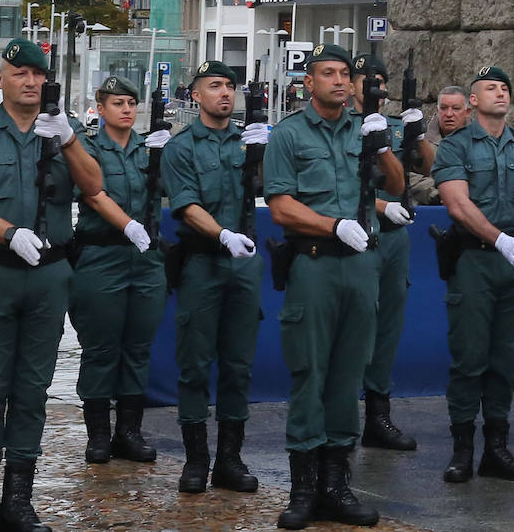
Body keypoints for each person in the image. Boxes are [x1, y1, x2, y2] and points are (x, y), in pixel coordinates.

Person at [0, 38, 103, 532]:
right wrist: (7, 233)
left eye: (37, 75)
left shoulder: (61, 132)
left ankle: (20, 501)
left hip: (49, 275)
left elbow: (94, 187)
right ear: (1, 79)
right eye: (20, 74)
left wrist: (69, 139)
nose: (30, 83)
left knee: (33, 391)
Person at [264, 43, 405, 529]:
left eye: (346, 74)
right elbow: (280, 206)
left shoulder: (364, 130)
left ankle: (336, 483)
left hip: (360, 266)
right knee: (311, 373)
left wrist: (382, 145)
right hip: (316, 262)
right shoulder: (289, 135)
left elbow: (399, 186)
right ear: (309, 83)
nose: (341, 82)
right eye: (329, 74)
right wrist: (331, 225)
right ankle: (303, 488)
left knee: (349, 374)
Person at [432, 65, 514, 484]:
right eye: (490, 88)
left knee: (507, 357)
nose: (501, 94)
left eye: (505, 88)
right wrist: (497, 237)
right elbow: (457, 205)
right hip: (476, 258)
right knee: (470, 357)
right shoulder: (456, 147)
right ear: (473, 100)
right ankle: (462, 448)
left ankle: (497, 447)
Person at [160, 60, 267, 494]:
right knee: (194, 365)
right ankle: (196, 459)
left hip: (243, 266)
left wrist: (263, 157)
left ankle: (229, 458)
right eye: (215, 86)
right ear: (196, 95)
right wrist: (222, 234)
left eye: (230, 86)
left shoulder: (250, 143)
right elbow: (185, 205)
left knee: (239, 365)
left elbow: (275, 190)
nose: (225, 93)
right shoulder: (181, 147)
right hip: (203, 262)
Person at [68, 75, 168, 466]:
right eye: (117, 103)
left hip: (145, 260)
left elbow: (177, 190)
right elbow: (90, 194)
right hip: (101, 256)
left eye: (131, 103)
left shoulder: (151, 148)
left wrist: (166, 157)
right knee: (100, 347)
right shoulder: (89, 149)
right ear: (101, 107)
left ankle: (129, 431)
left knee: (138, 347)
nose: (126, 110)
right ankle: (97, 435)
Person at [350, 52, 430, 452]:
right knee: (355, 327)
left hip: (394, 237)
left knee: (388, 329)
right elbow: (346, 184)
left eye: (380, 81)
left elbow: (431, 168)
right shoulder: (342, 127)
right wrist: (381, 207)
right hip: (356, 234)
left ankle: (378, 414)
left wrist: (418, 134)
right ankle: (344, 413)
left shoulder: (395, 127)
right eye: (367, 81)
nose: (375, 89)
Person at [409, 85, 470, 205]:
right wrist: (438, 192)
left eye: (456, 108)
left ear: (467, 112)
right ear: (437, 110)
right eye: (444, 108)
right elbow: (406, 175)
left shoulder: (482, 139)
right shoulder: (419, 139)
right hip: (431, 207)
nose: (449, 114)